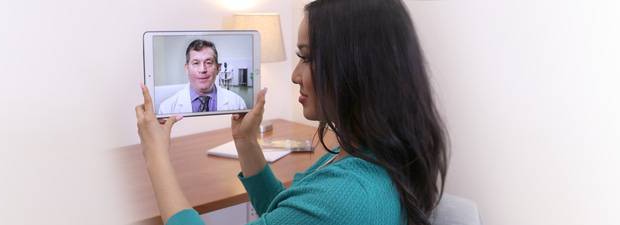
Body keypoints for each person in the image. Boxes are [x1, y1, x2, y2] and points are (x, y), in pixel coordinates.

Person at [134, 0, 449, 225]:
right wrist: (246, 142)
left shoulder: (345, 194)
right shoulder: (365, 153)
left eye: (308, 58)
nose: (295, 74)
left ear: (357, 68)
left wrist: (156, 157)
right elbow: (286, 213)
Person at [157, 39, 247, 114]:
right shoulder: (167, 108)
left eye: (208, 62)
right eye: (196, 63)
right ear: (187, 68)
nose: (202, 69)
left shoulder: (237, 103)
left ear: (218, 68)